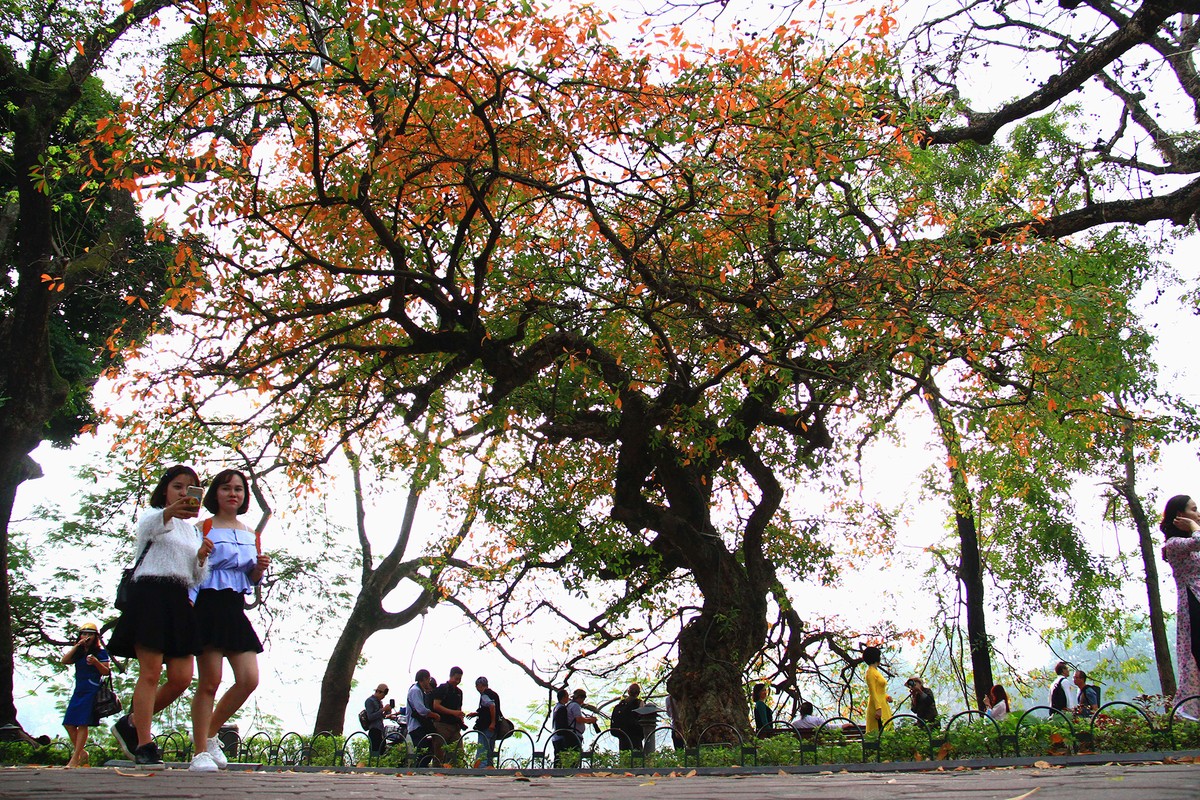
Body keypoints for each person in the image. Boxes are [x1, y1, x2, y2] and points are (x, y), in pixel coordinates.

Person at [108, 465, 212, 769]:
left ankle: (130, 722)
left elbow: (195, 577)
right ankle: (144, 743)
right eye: (178, 487)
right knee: (150, 673)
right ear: (165, 489)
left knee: (181, 678)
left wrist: (202, 556)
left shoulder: (192, 530)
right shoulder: (153, 515)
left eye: (190, 489)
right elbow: (148, 531)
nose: (183, 493)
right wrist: (169, 511)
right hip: (149, 595)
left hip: (178, 599)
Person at [189, 468, 271, 772]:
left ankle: (210, 734)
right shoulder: (203, 527)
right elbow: (191, 572)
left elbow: (250, 579)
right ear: (215, 494)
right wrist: (199, 555)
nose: (233, 494)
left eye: (238, 489)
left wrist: (259, 569)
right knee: (209, 681)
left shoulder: (251, 535)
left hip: (234, 609)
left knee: (249, 679)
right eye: (226, 489)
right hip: (207, 607)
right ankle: (199, 752)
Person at [1163, 494, 1200, 720]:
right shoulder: (1174, 544)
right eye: (1194, 509)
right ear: (1180, 515)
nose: (1198, 513)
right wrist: (1195, 526)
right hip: (1193, 602)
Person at [60, 622, 111, 768]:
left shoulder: (100, 653)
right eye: (84, 634)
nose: (87, 637)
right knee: (69, 723)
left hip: (91, 689)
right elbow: (64, 660)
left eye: (90, 634)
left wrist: (95, 662)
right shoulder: (79, 652)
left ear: (96, 637)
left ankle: (75, 759)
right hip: (79, 689)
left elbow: (106, 672)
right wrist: (77, 646)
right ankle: (82, 752)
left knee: (83, 722)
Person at [431, 666, 467, 762]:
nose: (457, 681)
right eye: (456, 679)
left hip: (454, 726)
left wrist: (460, 717)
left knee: (458, 752)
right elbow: (436, 705)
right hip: (442, 724)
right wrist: (453, 712)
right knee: (439, 752)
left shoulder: (459, 692)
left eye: (459, 679)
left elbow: (459, 707)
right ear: (451, 676)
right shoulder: (442, 688)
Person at [406, 669, 441, 765]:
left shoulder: (420, 691)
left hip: (420, 726)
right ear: (424, 679)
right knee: (423, 752)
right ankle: (419, 770)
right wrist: (434, 715)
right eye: (428, 679)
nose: (428, 682)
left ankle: (420, 769)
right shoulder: (415, 690)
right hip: (416, 726)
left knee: (427, 750)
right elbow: (421, 709)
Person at [466, 676, 501, 768]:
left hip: (486, 727)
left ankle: (481, 770)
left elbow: (492, 706)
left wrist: (492, 723)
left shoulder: (485, 695)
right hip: (493, 727)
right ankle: (490, 768)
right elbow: (489, 710)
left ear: (479, 686)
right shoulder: (494, 694)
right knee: (490, 750)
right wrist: (477, 714)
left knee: (483, 750)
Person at [863, 646, 891, 734]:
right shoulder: (870, 672)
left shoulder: (876, 671)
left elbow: (879, 690)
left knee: (886, 730)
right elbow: (873, 692)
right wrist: (878, 708)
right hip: (877, 706)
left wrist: (886, 696)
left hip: (883, 703)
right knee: (879, 732)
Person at [610, 682, 643, 752]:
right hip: (635, 737)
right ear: (639, 693)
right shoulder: (639, 703)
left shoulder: (620, 705)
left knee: (624, 758)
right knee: (637, 758)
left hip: (623, 736)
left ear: (628, 692)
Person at [364, 684, 395, 757]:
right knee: (375, 752)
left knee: (382, 750)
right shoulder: (369, 701)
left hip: (380, 729)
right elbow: (370, 717)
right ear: (378, 692)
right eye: (383, 694)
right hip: (374, 729)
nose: (383, 697)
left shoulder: (380, 702)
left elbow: (380, 716)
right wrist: (383, 709)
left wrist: (387, 713)